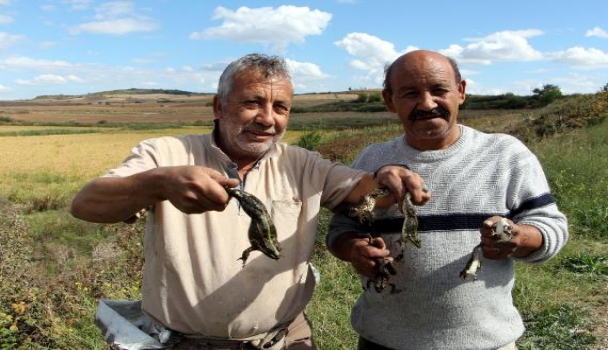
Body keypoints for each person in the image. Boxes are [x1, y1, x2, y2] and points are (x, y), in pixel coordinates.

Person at [70, 53, 429, 350]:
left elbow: (362, 192)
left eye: (280, 107)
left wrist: (387, 175)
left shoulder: (302, 164)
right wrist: (159, 182)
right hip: (181, 344)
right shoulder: (166, 152)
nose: (267, 118)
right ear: (218, 106)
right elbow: (86, 205)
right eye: (252, 102)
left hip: (284, 340)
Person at [326, 50, 569, 350]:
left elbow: (550, 226)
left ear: (461, 91)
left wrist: (519, 237)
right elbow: (341, 228)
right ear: (389, 101)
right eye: (410, 93)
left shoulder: (505, 154)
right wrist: (354, 249)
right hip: (383, 341)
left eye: (439, 90)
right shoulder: (371, 160)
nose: (427, 104)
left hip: (485, 343)